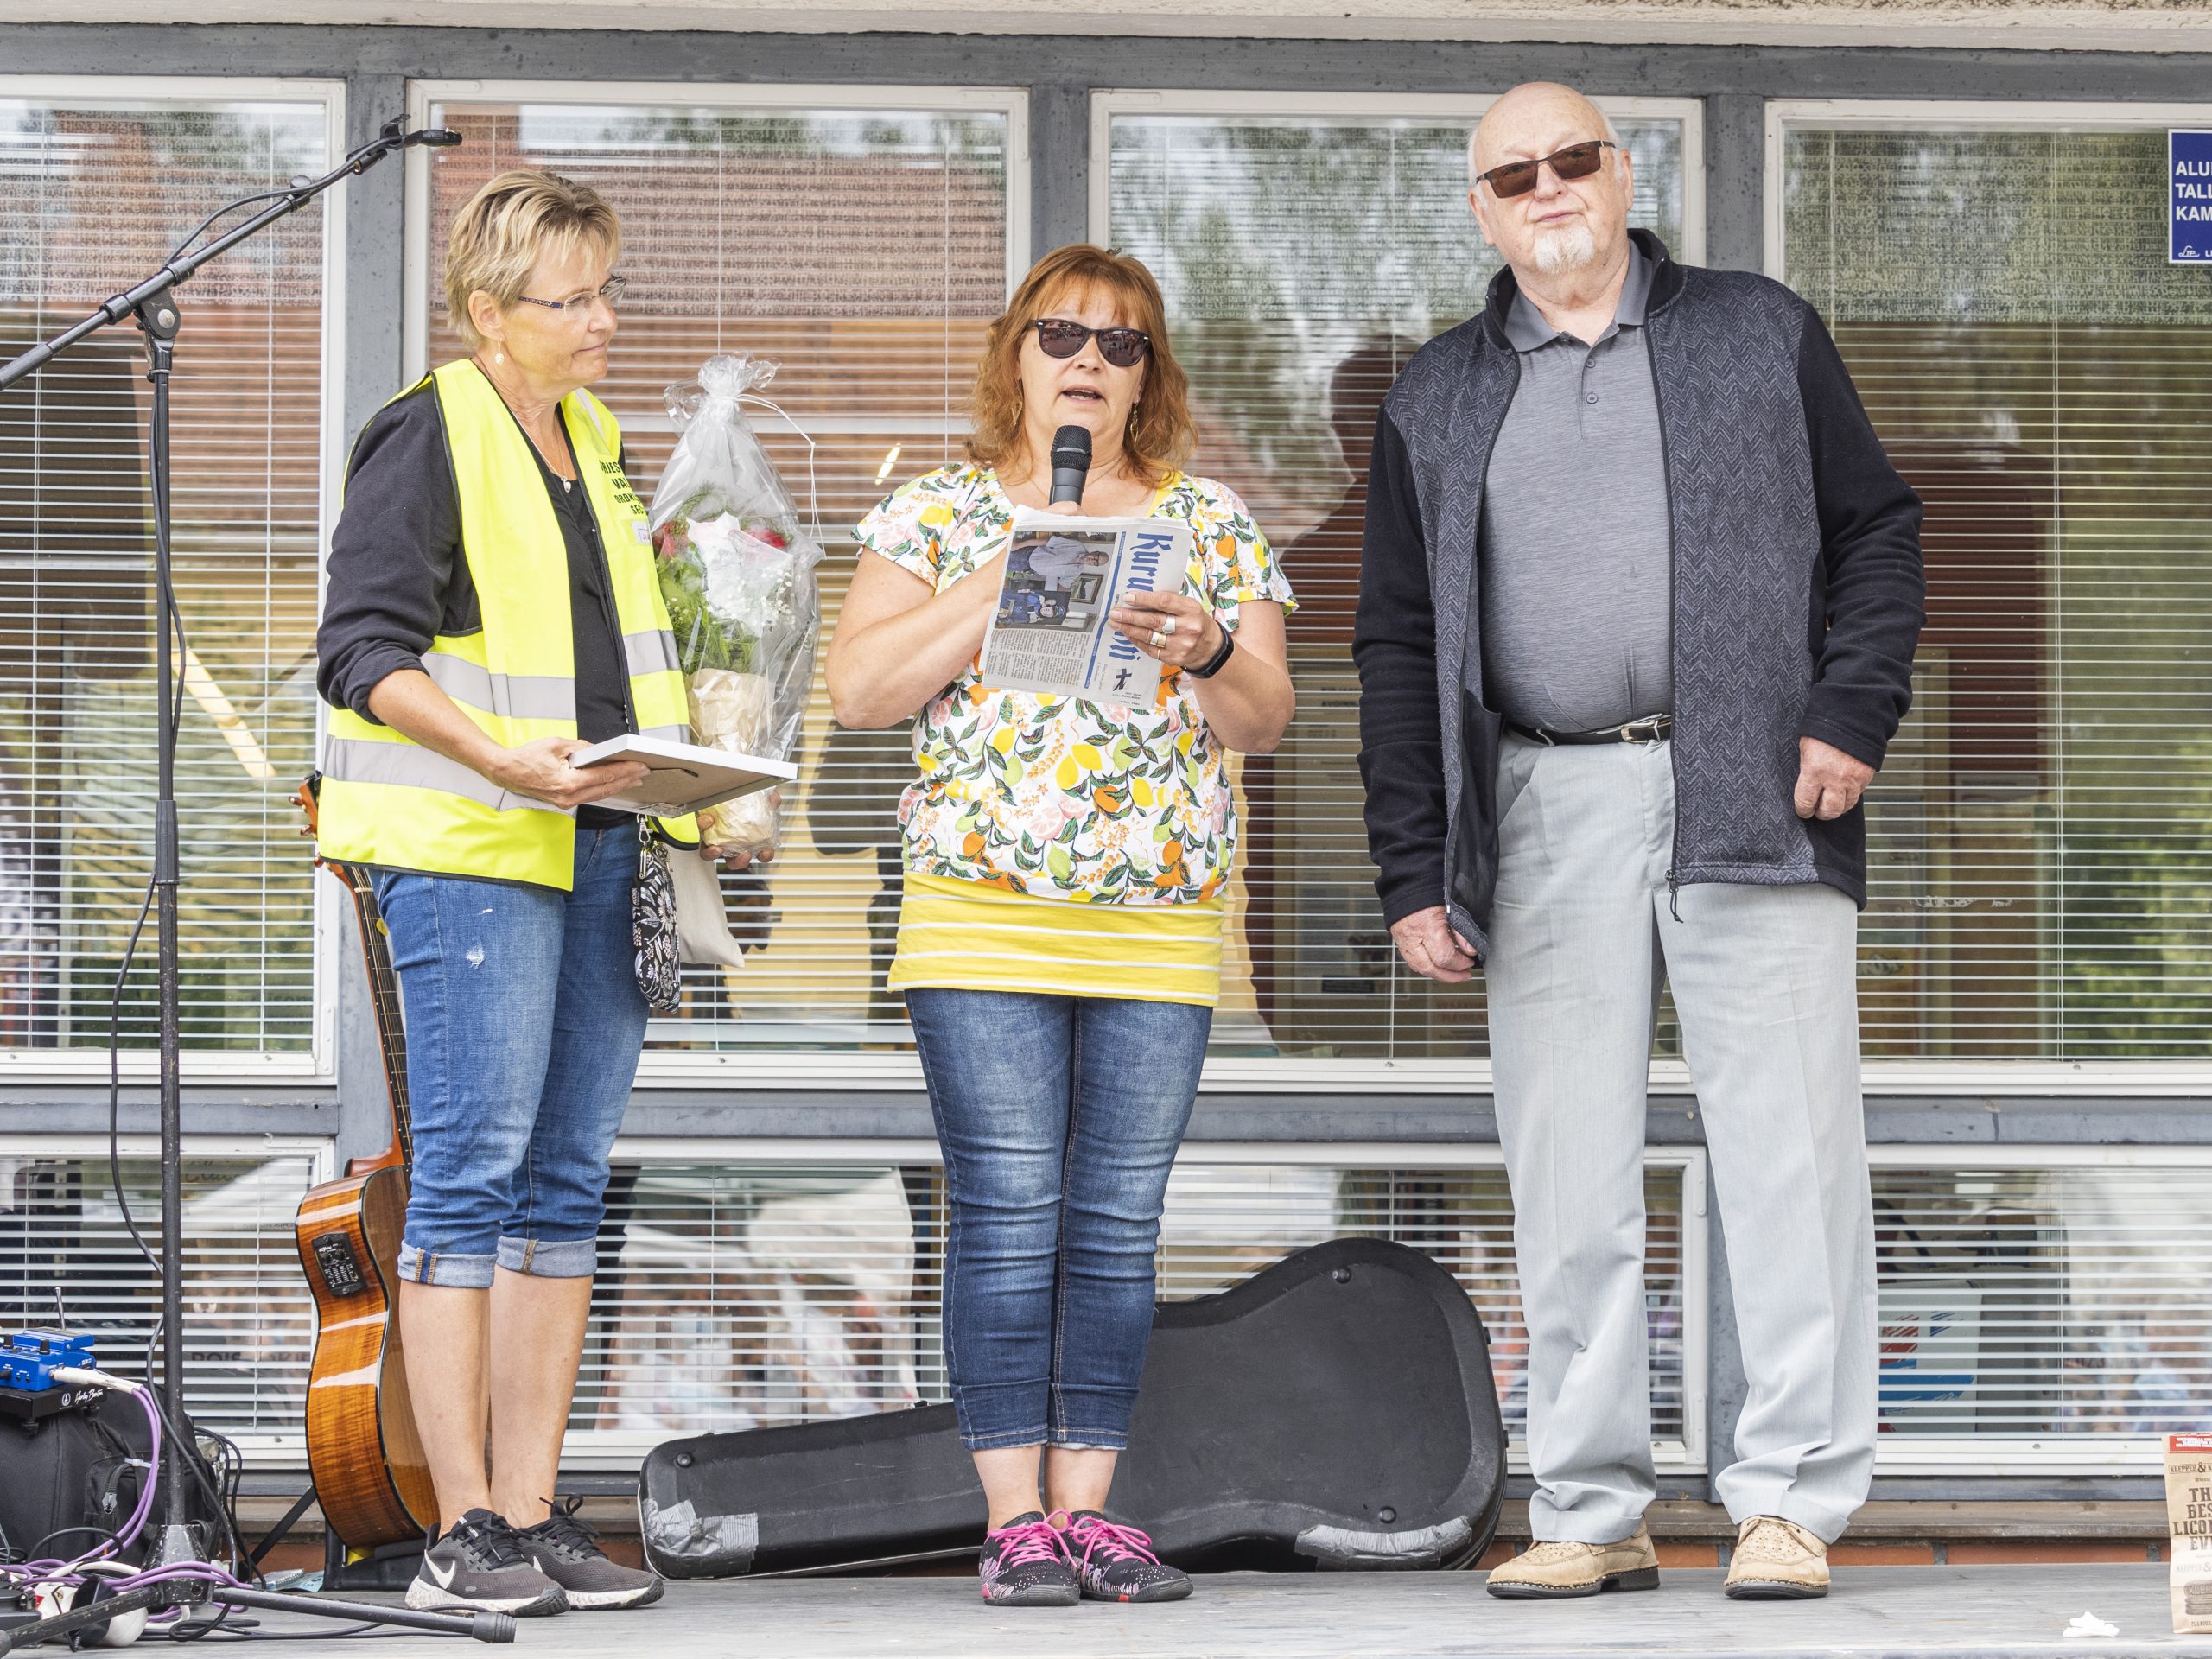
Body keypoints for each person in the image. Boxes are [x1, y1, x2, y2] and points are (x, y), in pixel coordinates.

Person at [1356, 83, 1923, 1602]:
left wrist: (1850, 713)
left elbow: (1880, 530)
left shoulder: (1761, 330)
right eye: (1511, 174)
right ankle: (1592, 1506)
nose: (1547, 189)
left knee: (1792, 1159)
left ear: (1623, 173)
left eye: (1572, 160)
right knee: (1566, 1172)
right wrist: (1416, 864)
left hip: (1755, 784)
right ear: (1480, 209)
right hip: (1539, 808)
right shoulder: (1438, 393)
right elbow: (1399, 641)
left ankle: (1790, 1499)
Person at [315, 168, 762, 1618]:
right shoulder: (426, 430)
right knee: (467, 1187)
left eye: (608, 291)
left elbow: (615, 668)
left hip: (603, 849)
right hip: (468, 861)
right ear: (489, 314)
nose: (605, 321)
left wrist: (710, 769)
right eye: (573, 300)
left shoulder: (596, 443)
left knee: (563, 1191)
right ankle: (458, 1540)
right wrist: (498, 758)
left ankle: (527, 1508)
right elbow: (361, 654)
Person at [826, 244, 1294, 1608]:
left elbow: (1264, 721)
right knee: (1009, 1211)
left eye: (1122, 343)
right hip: (982, 918)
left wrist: (1207, 649)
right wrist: (1006, 576)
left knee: (1115, 1222)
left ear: (1150, 375)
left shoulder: (1207, 518)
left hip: (1154, 920)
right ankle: (1012, 1518)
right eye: (1062, 336)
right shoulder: (934, 515)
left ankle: (1090, 1512)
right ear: (1015, 355)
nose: (1089, 361)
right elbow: (858, 692)